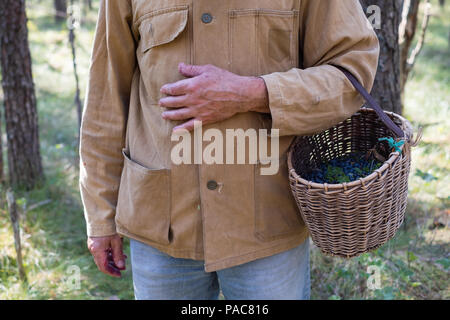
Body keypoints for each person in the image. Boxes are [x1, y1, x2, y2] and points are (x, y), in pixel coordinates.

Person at [79, 0, 379, 300]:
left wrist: (251, 94)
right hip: (162, 224)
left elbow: (352, 72)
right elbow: (105, 99)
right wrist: (101, 216)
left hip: (267, 219)